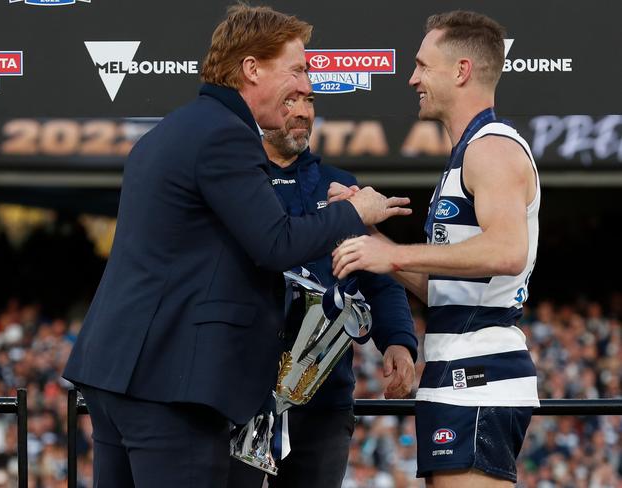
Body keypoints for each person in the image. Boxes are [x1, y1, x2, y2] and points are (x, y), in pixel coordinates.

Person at [62, 5, 410, 488]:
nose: (308, 85)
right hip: (171, 383)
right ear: (252, 68)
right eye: (298, 68)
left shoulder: (172, 130)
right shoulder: (226, 136)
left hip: (119, 372)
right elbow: (275, 242)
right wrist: (356, 214)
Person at [332, 10, 540, 488]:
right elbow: (452, 286)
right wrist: (369, 238)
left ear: (461, 71)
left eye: (423, 65)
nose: (412, 78)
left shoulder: (491, 148)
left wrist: (396, 256)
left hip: (480, 375)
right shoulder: (468, 152)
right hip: (457, 371)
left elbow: (508, 251)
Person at [229, 91, 419, 488]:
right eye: (289, 103)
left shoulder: (342, 187)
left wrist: (398, 342)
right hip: (237, 396)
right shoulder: (235, 184)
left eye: (309, 102)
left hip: (323, 401)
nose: (303, 113)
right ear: (258, 107)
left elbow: (379, 275)